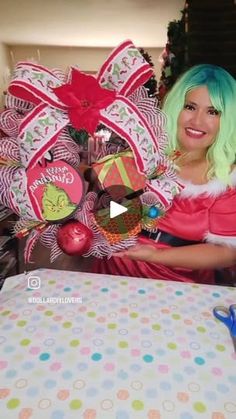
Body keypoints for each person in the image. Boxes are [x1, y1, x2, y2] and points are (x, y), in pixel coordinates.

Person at [93, 64, 236, 284]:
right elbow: (111, 212)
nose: (197, 121)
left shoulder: (227, 178)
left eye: (212, 112)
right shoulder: (144, 151)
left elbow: (227, 252)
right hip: (113, 274)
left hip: (178, 287)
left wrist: (157, 255)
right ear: (176, 106)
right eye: (190, 107)